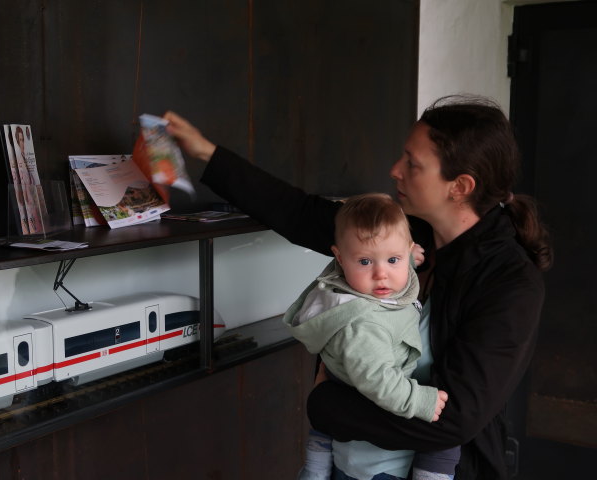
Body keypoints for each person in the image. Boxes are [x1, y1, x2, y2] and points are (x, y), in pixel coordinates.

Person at [161, 95, 553, 480]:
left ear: (460, 186)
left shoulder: (511, 284)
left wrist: (327, 405)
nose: (395, 169)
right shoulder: (405, 231)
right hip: (355, 463)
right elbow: (301, 213)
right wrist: (205, 153)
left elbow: (450, 422)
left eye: (412, 164)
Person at [284, 192, 456, 480]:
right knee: (446, 432)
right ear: (339, 257)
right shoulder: (363, 325)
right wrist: (418, 400)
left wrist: (407, 260)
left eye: (393, 259)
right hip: (372, 404)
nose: (381, 275)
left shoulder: (363, 283)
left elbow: (384, 262)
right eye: (365, 262)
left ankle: (316, 463)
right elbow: (379, 381)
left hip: (352, 382)